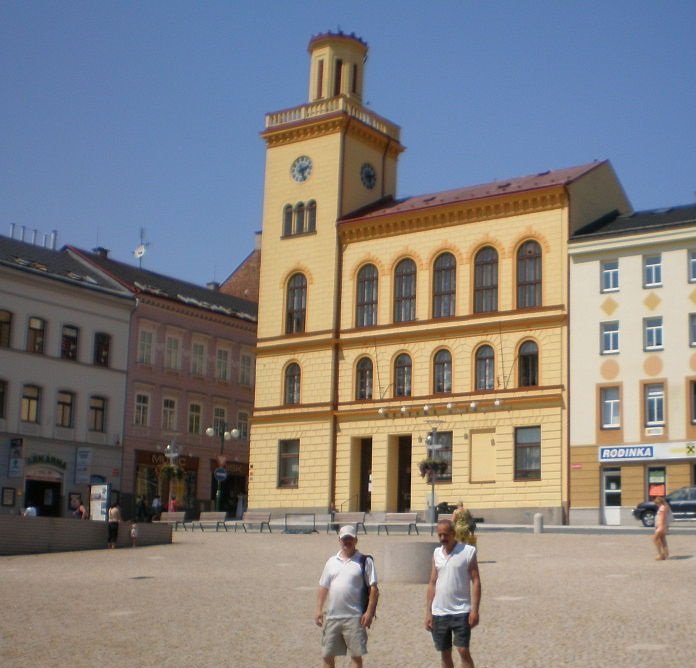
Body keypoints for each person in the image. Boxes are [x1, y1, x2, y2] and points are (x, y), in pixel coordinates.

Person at [315, 525, 379, 668]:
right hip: (333, 617)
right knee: (327, 656)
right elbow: (323, 587)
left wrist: (369, 612)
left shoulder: (364, 561)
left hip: (355, 617)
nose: (347, 542)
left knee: (356, 657)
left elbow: (373, 589)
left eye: (350, 539)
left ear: (356, 540)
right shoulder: (331, 562)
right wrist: (318, 609)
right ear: (339, 540)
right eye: (344, 539)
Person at [425, 519, 481, 668]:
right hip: (439, 611)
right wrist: (428, 612)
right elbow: (432, 582)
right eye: (440, 535)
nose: (443, 538)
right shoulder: (436, 553)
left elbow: (476, 581)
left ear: (453, 533)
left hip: (461, 610)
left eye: (446, 534)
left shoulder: (467, 551)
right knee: (445, 652)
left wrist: (475, 610)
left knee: (463, 650)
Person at [653, 496, 672, 560]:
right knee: (662, 540)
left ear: (659, 503)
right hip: (663, 526)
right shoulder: (665, 507)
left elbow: (662, 518)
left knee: (655, 539)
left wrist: (660, 527)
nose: (656, 505)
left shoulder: (662, 508)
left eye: (656, 504)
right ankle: (666, 553)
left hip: (661, 526)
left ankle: (660, 554)